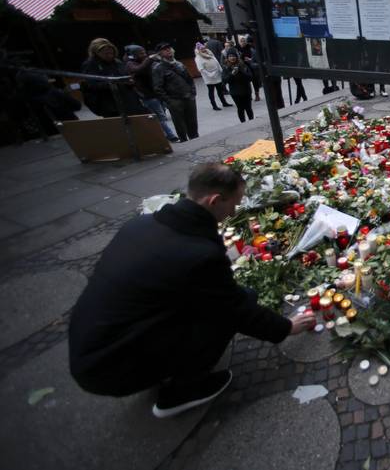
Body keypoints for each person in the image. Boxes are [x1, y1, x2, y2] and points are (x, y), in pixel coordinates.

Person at [68, 163, 317, 418]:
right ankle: (179, 394)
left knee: (235, 298)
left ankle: (160, 364)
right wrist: (286, 327)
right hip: (110, 367)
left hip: (90, 345)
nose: (234, 211)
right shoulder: (198, 255)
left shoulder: (140, 225)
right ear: (215, 200)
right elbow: (235, 311)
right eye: (234, 203)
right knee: (221, 316)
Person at [81, 38, 148, 118]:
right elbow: (91, 85)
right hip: (111, 106)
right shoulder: (90, 64)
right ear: (96, 52)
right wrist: (116, 82)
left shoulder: (117, 62)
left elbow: (126, 76)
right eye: (104, 51)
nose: (109, 53)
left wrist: (130, 81)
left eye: (110, 50)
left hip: (130, 101)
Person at [124, 45, 179, 142]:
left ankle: (166, 134)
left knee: (161, 115)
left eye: (144, 52)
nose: (144, 55)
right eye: (141, 53)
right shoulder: (130, 64)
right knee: (159, 116)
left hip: (156, 92)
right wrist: (149, 59)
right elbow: (138, 69)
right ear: (134, 55)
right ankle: (170, 136)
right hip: (147, 95)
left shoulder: (146, 61)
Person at [152, 42, 199, 142]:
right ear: (159, 54)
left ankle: (196, 141)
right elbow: (158, 88)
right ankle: (184, 143)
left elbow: (189, 79)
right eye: (165, 49)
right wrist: (170, 101)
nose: (168, 50)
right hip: (175, 100)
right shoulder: (158, 68)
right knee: (180, 125)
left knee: (193, 123)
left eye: (169, 48)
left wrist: (192, 93)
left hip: (189, 98)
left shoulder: (179, 64)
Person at [195, 42, 231, 111]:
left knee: (220, 90)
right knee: (211, 91)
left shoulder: (210, 53)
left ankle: (224, 102)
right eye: (201, 49)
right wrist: (209, 74)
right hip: (209, 77)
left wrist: (220, 69)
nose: (203, 49)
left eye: (204, 48)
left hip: (217, 75)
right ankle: (214, 105)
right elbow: (201, 69)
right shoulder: (198, 57)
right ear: (199, 50)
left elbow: (216, 62)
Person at [222, 50, 255, 122]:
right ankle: (243, 123)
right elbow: (224, 80)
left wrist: (241, 71)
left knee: (248, 108)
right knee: (240, 109)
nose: (232, 58)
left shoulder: (243, 65)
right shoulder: (226, 68)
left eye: (233, 56)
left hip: (246, 91)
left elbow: (250, 77)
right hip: (235, 92)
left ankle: (252, 122)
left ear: (237, 57)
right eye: (230, 56)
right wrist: (232, 74)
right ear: (227, 58)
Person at [238, 35, 262, 102]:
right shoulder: (238, 50)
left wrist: (250, 59)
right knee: (246, 83)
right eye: (241, 41)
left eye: (244, 41)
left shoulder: (251, 49)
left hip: (252, 67)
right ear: (239, 42)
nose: (243, 42)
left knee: (255, 82)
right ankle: (249, 95)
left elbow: (256, 59)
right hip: (243, 68)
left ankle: (257, 95)